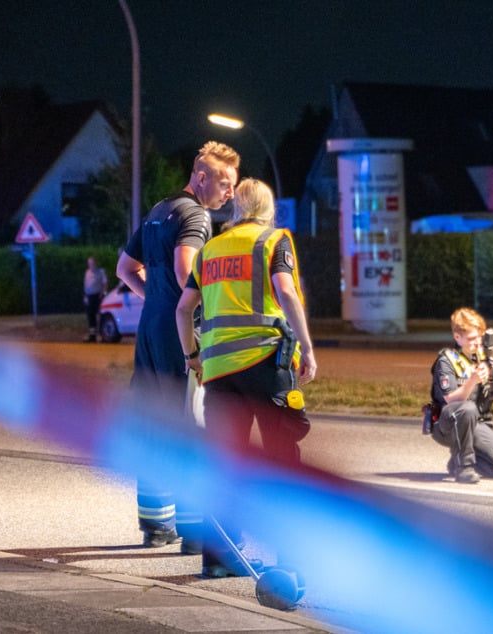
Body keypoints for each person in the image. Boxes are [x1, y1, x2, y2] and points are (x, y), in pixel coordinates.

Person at [175, 177, 317, 577]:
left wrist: (192, 357)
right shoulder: (273, 241)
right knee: (281, 460)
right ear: (267, 209)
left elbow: (183, 310)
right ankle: (289, 562)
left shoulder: (209, 250)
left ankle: (218, 560)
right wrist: (307, 347)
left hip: (218, 373)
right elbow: (286, 293)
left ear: (236, 208)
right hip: (264, 363)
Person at [116, 140, 240, 550]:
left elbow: (124, 268)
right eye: (224, 183)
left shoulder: (157, 211)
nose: (229, 194)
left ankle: (155, 525)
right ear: (200, 177)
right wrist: (200, 303)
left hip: (150, 327)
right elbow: (187, 266)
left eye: (233, 186)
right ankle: (191, 529)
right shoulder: (196, 215)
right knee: (189, 425)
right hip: (178, 331)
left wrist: (154, 297)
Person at [425, 307, 493, 484]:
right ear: (457, 337)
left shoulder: (485, 357)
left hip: (479, 424)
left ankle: (460, 460)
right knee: (467, 408)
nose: (477, 342)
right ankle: (463, 467)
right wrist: (472, 381)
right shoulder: (447, 361)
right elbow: (451, 400)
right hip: (448, 424)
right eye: (471, 338)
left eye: (479, 337)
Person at [82, 257, 109, 342]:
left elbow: (105, 283)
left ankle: (102, 335)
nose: (91, 265)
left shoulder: (101, 272)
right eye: (89, 264)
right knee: (90, 316)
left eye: (92, 263)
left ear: (95, 263)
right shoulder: (87, 272)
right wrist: (85, 296)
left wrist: (103, 294)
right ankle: (92, 335)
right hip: (89, 296)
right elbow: (86, 284)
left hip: (98, 296)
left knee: (100, 315)